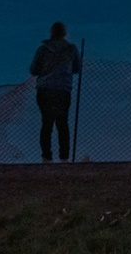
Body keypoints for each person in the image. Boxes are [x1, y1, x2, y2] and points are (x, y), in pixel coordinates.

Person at [29, 21, 82, 162]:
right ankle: (64, 157)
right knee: (62, 124)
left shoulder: (42, 50)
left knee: (46, 123)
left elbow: (33, 69)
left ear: (51, 33)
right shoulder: (71, 49)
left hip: (44, 89)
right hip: (63, 90)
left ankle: (46, 157)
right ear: (64, 33)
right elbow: (77, 68)